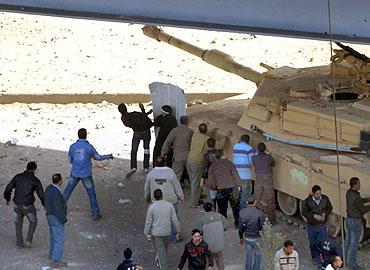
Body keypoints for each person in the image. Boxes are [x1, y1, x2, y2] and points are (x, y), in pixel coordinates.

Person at [63, 128, 113, 220]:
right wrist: (108, 156)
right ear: (86, 135)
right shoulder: (89, 147)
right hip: (86, 174)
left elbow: (70, 160)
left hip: (75, 172)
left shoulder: (73, 146)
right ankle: (95, 214)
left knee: (67, 191)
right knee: (91, 194)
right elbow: (98, 157)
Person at [4, 161, 45, 248]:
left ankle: (19, 243)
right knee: (33, 221)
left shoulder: (18, 177)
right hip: (28, 205)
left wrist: (7, 199)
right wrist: (45, 205)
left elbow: (8, 188)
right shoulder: (36, 181)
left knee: (18, 223)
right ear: (34, 170)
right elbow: (41, 195)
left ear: (26, 168)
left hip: (16, 204)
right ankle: (28, 241)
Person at [144, 156, 184, 243]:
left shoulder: (151, 173)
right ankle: (174, 237)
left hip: (156, 201)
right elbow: (177, 186)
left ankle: (159, 237)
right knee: (173, 218)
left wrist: (147, 197)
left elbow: (147, 187)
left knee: (156, 219)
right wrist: (180, 196)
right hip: (171, 200)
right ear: (164, 163)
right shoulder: (170, 173)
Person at [144, 189, 181, 270]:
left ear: (154, 197)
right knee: (164, 249)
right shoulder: (169, 205)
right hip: (167, 231)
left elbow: (148, 222)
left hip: (156, 233)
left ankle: (161, 263)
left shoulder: (151, 207)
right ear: (162, 195)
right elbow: (174, 219)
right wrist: (178, 230)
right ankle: (162, 264)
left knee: (160, 250)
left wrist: (146, 233)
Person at [118, 102, 153, 177]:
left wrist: (146, 113)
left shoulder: (124, 119)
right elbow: (143, 119)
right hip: (146, 132)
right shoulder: (134, 114)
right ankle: (146, 167)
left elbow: (137, 121)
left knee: (134, 150)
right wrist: (143, 109)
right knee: (146, 149)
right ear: (126, 108)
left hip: (137, 133)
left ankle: (133, 167)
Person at [207, 151, 242, 227]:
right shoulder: (230, 163)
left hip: (220, 190)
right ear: (222, 156)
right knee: (236, 207)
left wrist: (214, 188)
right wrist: (239, 185)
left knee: (222, 209)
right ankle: (237, 223)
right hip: (232, 188)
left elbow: (211, 181)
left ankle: (224, 224)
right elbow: (235, 175)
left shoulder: (212, 166)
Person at [301, 185, 333, 263]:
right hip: (312, 226)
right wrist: (314, 216)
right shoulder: (307, 201)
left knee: (322, 243)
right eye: (317, 194)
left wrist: (325, 213)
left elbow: (330, 208)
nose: (319, 195)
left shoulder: (325, 199)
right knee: (312, 243)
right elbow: (304, 212)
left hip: (322, 225)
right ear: (313, 194)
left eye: (320, 193)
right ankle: (314, 258)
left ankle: (322, 259)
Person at [344, 177, 370, 270]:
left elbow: (359, 201)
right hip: (355, 221)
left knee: (347, 241)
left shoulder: (349, 193)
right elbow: (362, 209)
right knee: (354, 244)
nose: (360, 185)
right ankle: (352, 265)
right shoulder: (356, 197)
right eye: (358, 184)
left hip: (348, 220)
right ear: (355, 185)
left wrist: (367, 199)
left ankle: (343, 260)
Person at [45, 174, 68, 268]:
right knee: (59, 239)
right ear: (60, 181)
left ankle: (52, 254)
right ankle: (56, 260)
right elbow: (57, 208)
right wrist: (64, 220)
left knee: (53, 236)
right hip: (56, 217)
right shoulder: (56, 193)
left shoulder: (49, 188)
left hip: (49, 215)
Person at [161, 116, 194, 184]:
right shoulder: (190, 131)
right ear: (187, 122)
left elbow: (167, 142)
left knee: (176, 176)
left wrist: (163, 153)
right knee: (192, 175)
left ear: (180, 121)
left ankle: (175, 191)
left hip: (178, 157)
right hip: (189, 156)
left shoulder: (175, 131)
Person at [196, 202, 229, 270]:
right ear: (212, 208)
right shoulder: (219, 216)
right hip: (218, 243)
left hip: (208, 246)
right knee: (219, 258)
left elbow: (198, 232)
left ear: (204, 209)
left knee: (207, 261)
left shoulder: (202, 219)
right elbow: (226, 226)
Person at [251, 143, 276, 224]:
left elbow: (255, 164)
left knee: (257, 198)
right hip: (268, 179)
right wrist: (269, 154)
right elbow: (273, 164)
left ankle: (255, 217)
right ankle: (272, 220)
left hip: (259, 178)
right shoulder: (268, 157)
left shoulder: (254, 157)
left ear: (258, 149)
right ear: (265, 149)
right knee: (270, 200)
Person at [238, 196, 264, 270]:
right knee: (257, 256)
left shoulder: (242, 212)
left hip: (247, 237)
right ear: (255, 202)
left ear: (246, 202)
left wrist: (241, 237)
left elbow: (240, 228)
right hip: (257, 237)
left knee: (248, 256)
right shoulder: (259, 212)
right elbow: (262, 226)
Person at [233, 134, 255, 207]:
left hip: (236, 173)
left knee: (238, 190)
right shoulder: (249, 148)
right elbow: (252, 161)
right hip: (245, 174)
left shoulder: (235, 146)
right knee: (246, 191)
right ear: (248, 141)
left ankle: (236, 204)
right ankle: (243, 207)